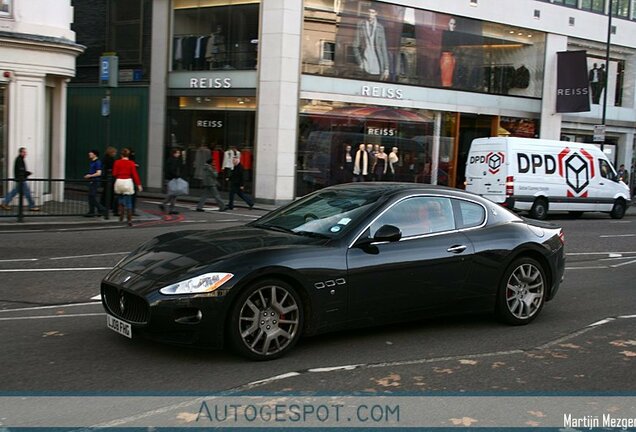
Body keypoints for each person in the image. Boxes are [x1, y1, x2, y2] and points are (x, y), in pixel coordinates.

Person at [352, 7, 389, 80]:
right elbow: (355, 46)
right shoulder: (361, 25)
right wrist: (360, 63)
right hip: (365, 66)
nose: (370, 14)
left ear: (376, 14)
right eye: (368, 12)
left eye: (372, 12)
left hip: (378, 66)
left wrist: (386, 68)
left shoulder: (380, 27)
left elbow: (383, 49)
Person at [112, 148, 142, 226]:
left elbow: (114, 174)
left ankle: (121, 217)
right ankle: (129, 220)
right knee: (129, 201)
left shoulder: (117, 162)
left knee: (120, 198)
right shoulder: (131, 163)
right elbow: (135, 175)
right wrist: (139, 185)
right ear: (128, 155)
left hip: (119, 181)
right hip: (128, 182)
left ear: (121, 155)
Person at [83, 149, 108, 217]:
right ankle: (93, 211)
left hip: (95, 181)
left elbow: (99, 173)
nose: (89, 154)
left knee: (92, 196)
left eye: (91, 153)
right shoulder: (93, 162)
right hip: (93, 181)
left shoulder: (97, 162)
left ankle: (101, 209)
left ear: (94, 154)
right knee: (91, 196)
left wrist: (90, 176)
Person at [160, 148, 184, 215]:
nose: (179, 154)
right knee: (172, 194)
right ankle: (164, 205)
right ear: (174, 153)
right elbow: (172, 170)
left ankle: (170, 208)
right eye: (178, 153)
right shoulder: (173, 160)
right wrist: (176, 176)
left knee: (173, 194)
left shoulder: (169, 159)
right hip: (172, 179)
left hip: (169, 178)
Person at [100, 146, 117, 215]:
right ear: (111, 152)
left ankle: (104, 205)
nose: (115, 153)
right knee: (109, 192)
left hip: (105, 177)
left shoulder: (104, 158)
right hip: (109, 178)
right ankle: (108, 206)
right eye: (114, 152)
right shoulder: (111, 159)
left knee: (106, 192)